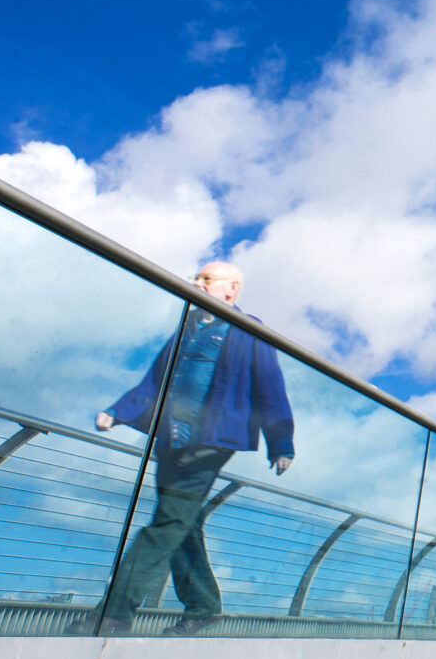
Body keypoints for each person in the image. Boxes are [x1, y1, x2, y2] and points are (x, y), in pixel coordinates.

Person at [75, 262, 295, 637]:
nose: (198, 283)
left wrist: (281, 442)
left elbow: (270, 388)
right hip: (173, 439)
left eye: (207, 279)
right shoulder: (187, 327)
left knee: (166, 523)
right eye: (197, 277)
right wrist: (118, 411)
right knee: (182, 524)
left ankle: (114, 614)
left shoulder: (248, 332)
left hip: (212, 442)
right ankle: (203, 606)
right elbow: (155, 379)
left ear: (231, 289)